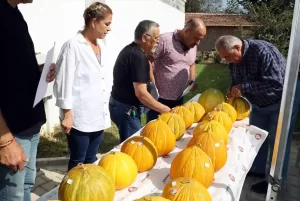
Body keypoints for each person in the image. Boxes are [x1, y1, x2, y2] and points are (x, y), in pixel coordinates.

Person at [215, 35, 286, 195]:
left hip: (279, 103)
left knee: (277, 146)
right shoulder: (234, 61)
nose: (226, 60)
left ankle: (275, 182)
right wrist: (233, 89)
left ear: (238, 48)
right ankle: (258, 170)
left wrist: (244, 87)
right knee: (257, 138)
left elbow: (276, 84)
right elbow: (235, 80)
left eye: (227, 56)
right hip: (258, 104)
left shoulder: (262, 51)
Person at [0, 0, 56, 201]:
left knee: (26, 187)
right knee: (11, 195)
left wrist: (39, 72)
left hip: (29, 124)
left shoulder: (15, 13)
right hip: (11, 133)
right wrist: (4, 141)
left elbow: (10, 69)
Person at [53, 2, 113, 171]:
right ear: (94, 22)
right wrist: (67, 115)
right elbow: (63, 81)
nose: (109, 28)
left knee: (91, 159)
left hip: (98, 115)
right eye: (107, 24)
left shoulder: (102, 45)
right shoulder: (73, 45)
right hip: (80, 117)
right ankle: (71, 194)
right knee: (78, 160)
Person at [109, 20, 171, 143]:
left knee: (130, 143)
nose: (158, 41)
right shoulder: (138, 57)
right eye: (156, 38)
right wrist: (165, 109)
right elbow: (141, 93)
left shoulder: (132, 50)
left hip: (119, 104)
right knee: (133, 146)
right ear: (144, 37)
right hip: (126, 109)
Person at [146, 18, 206, 123]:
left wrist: (192, 80)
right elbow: (148, 61)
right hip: (159, 99)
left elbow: (191, 63)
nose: (198, 43)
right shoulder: (164, 40)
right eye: (196, 38)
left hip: (179, 97)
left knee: (175, 129)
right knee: (156, 130)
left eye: (201, 39)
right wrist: (152, 84)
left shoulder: (192, 45)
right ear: (187, 31)